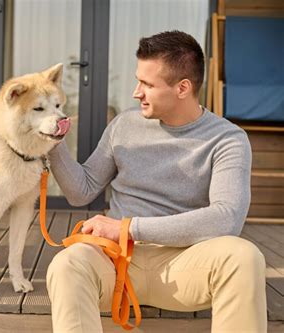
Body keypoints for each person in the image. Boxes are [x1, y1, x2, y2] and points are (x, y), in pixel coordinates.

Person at [46, 30, 267, 333]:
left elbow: (226, 218)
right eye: (138, 80)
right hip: (117, 262)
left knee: (243, 257)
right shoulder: (124, 124)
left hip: (185, 266)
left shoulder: (227, 139)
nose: (137, 92)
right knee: (67, 264)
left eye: (148, 84)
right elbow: (80, 191)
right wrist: (53, 145)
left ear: (182, 88)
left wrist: (129, 227)